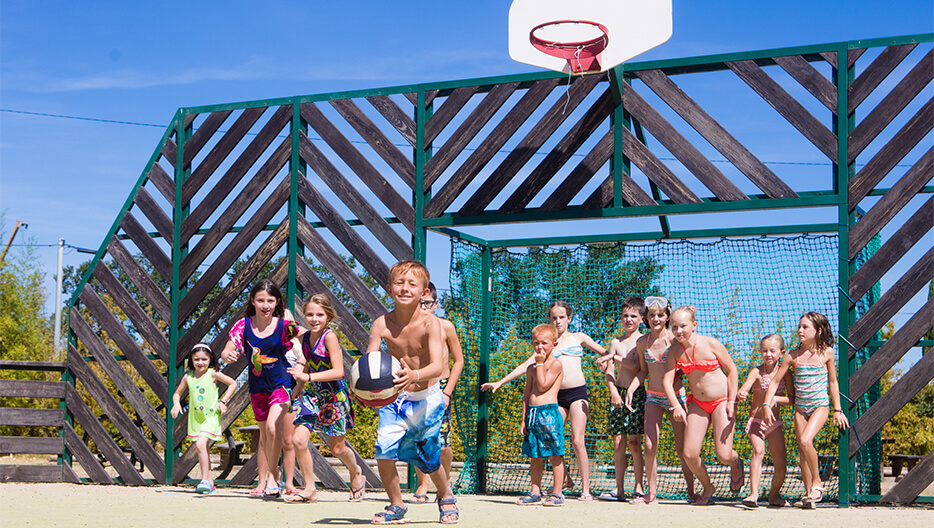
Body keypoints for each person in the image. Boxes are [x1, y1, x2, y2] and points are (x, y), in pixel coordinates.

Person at [366, 261, 458, 525]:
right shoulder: (381, 324)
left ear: (424, 292)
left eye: (412, 284)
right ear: (388, 288)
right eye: (399, 283)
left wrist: (414, 375)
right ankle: (396, 505)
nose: (405, 288)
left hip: (427, 399)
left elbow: (439, 366)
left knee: (429, 460)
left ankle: (445, 495)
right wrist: (367, 391)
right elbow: (371, 362)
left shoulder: (432, 324)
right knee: (383, 452)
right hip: (396, 400)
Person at [220, 279, 304, 499]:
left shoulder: (284, 326)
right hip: (258, 388)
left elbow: (310, 337)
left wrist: (307, 362)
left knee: (273, 428)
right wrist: (226, 355)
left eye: (270, 300)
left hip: (282, 383)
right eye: (261, 300)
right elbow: (227, 350)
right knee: (266, 437)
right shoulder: (243, 325)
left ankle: (275, 480)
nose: (265, 305)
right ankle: (264, 479)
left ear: (277, 303)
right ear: (253, 301)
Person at [761, 312, 848, 509]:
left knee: (806, 441)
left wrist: (838, 409)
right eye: (799, 326)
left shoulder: (827, 353)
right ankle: (810, 496)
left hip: (820, 406)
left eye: (805, 327)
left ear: (818, 331)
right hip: (800, 408)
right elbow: (775, 381)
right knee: (803, 451)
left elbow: (833, 382)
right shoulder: (792, 356)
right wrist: (767, 404)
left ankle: (817, 482)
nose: (799, 330)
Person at [284, 294, 366, 503]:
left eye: (319, 314)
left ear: (328, 316)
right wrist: (296, 389)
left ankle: (356, 471)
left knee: (337, 448)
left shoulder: (329, 336)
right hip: (314, 395)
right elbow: (305, 363)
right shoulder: (304, 339)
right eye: (310, 314)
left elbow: (338, 371)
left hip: (335, 396)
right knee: (298, 439)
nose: (314, 319)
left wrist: (307, 376)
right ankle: (310, 489)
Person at [664, 305, 743, 506]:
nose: (678, 331)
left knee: (724, 455)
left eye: (683, 326)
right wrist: (676, 406)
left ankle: (736, 464)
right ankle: (708, 487)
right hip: (698, 404)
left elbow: (733, 371)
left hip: (721, 402)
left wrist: (732, 402)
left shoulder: (711, 344)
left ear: (694, 325)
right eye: (674, 327)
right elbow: (667, 381)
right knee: (689, 454)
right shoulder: (674, 350)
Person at [625, 296, 695, 505]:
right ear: (646, 317)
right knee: (649, 445)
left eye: (660, 314)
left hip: (676, 398)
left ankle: (692, 493)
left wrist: (690, 314)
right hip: (653, 398)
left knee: (683, 449)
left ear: (667, 317)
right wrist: (631, 388)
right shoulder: (641, 342)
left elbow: (692, 345)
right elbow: (643, 372)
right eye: (652, 315)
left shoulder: (675, 340)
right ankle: (651, 494)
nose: (656, 318)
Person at [409, 282, 465, 504]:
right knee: (417, 439)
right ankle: (422, 484)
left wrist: (448, 391)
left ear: (436, 303)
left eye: (428, 303)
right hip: (416, 388)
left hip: (440, 388)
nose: (424, 308)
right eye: (420, 303)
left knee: (443, 443)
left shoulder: (445, 326)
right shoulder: (410, 328)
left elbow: (458, 361)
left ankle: (446, 481)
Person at [736, 333, 795, 508]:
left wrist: (774, 399)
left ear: (781, 353)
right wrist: (742, 393)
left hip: (774, 423)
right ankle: (753, 495)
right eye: (764, 351)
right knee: (758, 451)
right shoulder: (757, 371)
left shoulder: (786, 374)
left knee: (781, 465)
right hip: (756, 421)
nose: (767, 354)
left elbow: (792, 400)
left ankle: (774, 496)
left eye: (772, 351)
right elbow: (744, 388)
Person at [170, 343, 237, 494]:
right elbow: (177, 393)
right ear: (191, 360)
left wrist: (223, 401)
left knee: (200, 444)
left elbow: (233, 383)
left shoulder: (213, 374)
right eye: (197, 359)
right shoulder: (188, 377)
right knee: (203, 448)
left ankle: (204, 480)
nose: (200, 363)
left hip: (210, 417)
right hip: (196, 418)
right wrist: (175, 404)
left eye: (204, 359)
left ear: (210, 359)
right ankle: (210, 483)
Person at [596, 297, 646, 501]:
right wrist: (613, 392)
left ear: (642, 319)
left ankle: (639, 487)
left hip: (637, 395)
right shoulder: (615, 342)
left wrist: (611, 357)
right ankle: (619, 489)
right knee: (618, 443)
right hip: (618, 394)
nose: (629, 319)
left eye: (633, 316)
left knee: (635, 442)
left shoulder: (643, 341)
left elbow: (637, 367)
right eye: (625, 315)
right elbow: (610, 373)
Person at [515, 324, 567, 507]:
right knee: (535, 455)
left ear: (554, 344)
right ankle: (535, 492)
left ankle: (557, 493)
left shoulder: (556, 364)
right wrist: (523, 419)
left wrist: (539, 364)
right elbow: (527, 394)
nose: (540, 347)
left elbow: (543, 385)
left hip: (549, 414)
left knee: (554, 454)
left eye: (544, 343)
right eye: (536, 343)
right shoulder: (531, 368)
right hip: (533, 414)